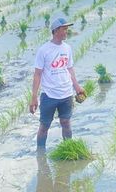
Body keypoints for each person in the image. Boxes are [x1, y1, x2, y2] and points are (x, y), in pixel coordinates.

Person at [29, 18, 85, 148]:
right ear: (56, 31)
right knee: (44, 126)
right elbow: (37, 74)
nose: (67, 31)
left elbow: (69, 68)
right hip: (49, 95)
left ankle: (69, 148)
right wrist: (34, 97)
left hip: (66, 94)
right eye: (64, 29)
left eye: (67, 29)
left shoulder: (67, 48)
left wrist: (77, 86)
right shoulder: (44, 50)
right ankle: (40, 154)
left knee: (66, 122)